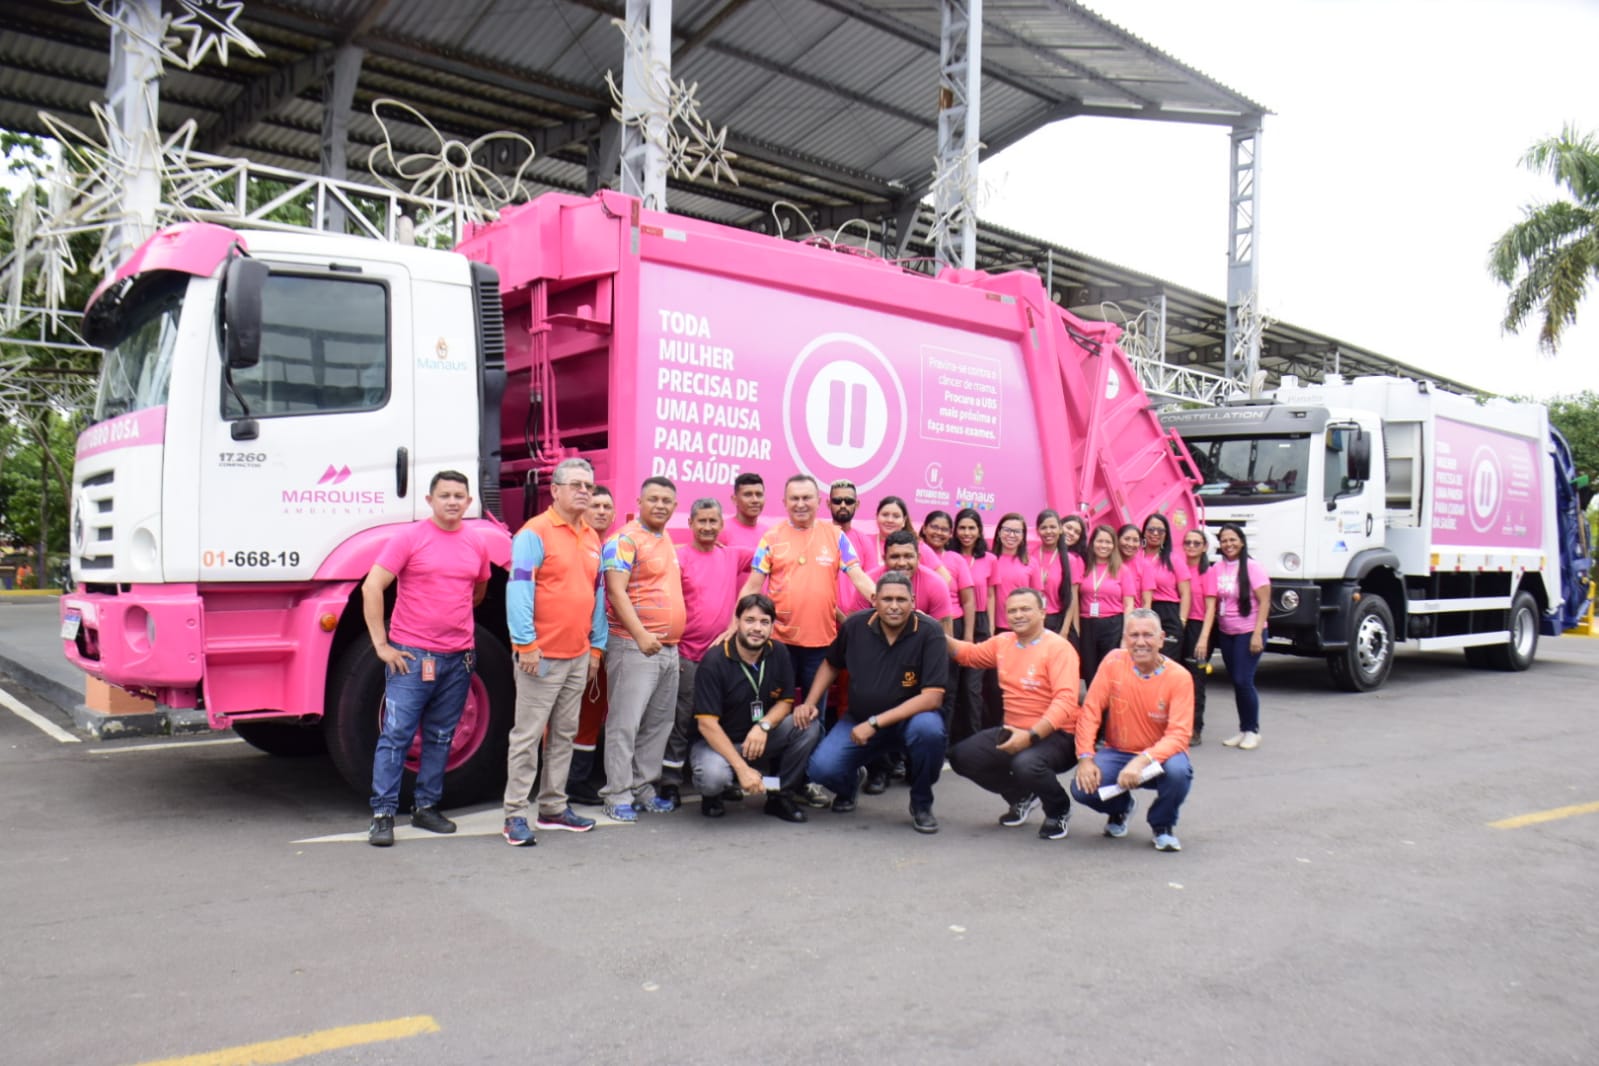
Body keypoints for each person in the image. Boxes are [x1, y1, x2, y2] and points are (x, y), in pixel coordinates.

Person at [362, 471, 492, 847]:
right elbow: (372, 586)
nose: (452, 501)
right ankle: (383, 814)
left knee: (440, 737)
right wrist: (382, 646)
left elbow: (478, 589)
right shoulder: (409, 538)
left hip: (459, 659)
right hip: (412, 656)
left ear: (469, 503)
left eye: (459, 496)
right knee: (397, 735)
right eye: (445, 495)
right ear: (430, 500)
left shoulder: (476, 543)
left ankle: (426, 808)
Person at [502, 458, 608, 847]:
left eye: (590, 486)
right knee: (528, 737)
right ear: (556, 490)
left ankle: (552, 808)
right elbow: (519, 590)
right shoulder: (535, 533)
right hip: (541, 656)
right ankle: (515, 814)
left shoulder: (591, 536)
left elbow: (596, 595)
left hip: (579, 654)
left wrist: (596, 647)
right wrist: (525, 643)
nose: (585, 492)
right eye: (577, 485)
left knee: (563, 734)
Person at [801, 572, 949, 833]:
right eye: (887, 599)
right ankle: (849, 783)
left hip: (909, 722)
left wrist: (875, 723)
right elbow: (831, 664)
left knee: (929, 731)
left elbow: (932, 696)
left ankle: (922, 802)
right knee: (822, 769)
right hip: (859, 720)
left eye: (901, 599)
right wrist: (811, 701)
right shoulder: (855, 626)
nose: (894, 605)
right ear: (874, 600)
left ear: (913, 601)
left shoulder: (930, 632)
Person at [946, 588, 1082, 840]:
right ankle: (1021, 797)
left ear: (1042, 612)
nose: (1018, 615)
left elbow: (1065, 702)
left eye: (1025, 609)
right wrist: (932, 630)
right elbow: (968, 655)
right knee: (961, 757)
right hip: (1013, 729)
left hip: (1058, 735)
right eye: (1012, 610)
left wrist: (1030, 737)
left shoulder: (1059, 649)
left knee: (1026, 764)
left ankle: (1058, 810)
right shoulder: (1003, 643)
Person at [736, 474, 875, 719]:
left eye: (806, 498)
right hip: (779, 643)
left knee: (813, 715)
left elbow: (858, 575)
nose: (800, 504)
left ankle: (811, 757)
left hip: (821, 645)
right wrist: (733, 625)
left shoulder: (835, 536)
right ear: (784, 502)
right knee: (775, 710)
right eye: (794, 498)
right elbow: (752, 585)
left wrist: (881, 601)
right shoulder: (771, 537)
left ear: (819, 501)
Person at [1069, 609, 1195, 851]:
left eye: (1148, 635)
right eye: (1133, 635)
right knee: (1082, 789)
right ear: (1124, 638)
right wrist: (1085, 757)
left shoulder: (1179, 677)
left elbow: (1179, 736)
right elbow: (1091, 711)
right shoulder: (1113, 662)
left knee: (1179, 773)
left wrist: (1141, 761)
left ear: (1161, 638)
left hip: (1160, 757)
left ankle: (1162, 825)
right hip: (1118, 751)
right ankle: (1121, 808)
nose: (1140, 642)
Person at [599, 476, 687, 822]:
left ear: (675, 507)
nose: (660, 505)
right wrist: (640, 635)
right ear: (639, 501)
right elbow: (615, 592)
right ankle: (617, 793)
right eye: (653, 499)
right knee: (625, 723)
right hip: (634, 646)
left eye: (667, 500)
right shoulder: (623, 540)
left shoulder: (665, 538)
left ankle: (643, 787)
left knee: (658, 723)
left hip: (668, 649)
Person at [691, 593, 819, 823]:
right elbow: (706, 724)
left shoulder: (778, 652)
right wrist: (741, 768)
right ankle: (717, 793)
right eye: (750, 620)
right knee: (713, 778)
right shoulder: (714, 661)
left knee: (807, 726)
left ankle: (780, 796)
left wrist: (764, 726)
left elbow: (786, 701)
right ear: (737, 622)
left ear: (772, 627)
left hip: (759, 738)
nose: (757, 628)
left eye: (764, 622)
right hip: (719, 742)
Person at [660, 498, 754, 808]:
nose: (708, 527)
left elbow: (773, 557)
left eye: (714, 521)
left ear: (721, 525)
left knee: (722, 718)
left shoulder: (732, 556)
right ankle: (671, 782)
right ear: (690, 524)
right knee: (682, 719)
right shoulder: (678, 557)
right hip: (686, 654)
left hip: (723, 658)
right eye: (702, 521)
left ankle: (723, 778)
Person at [1195, 523, 1270, 750]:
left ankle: (1252, 730)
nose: (1229, 545)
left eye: (1233, 540)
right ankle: (1243, 729)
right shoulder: (1217, 568)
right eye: (1224, 541)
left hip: (1249, 631)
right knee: (1236, 682)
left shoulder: (1253, 567)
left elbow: (1265, 601)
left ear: (1242, 542)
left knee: (1243, 680)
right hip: (1227, 632)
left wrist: (1257, 633)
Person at [568, 485, 616, 807]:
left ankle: (579, 781)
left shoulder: (613, 546)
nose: (601, 511)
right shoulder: (575, 545)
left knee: (592, 712)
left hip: (602, 644)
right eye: (595, 505)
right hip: (572, 643)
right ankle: (563, 782)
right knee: (564, 716)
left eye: (607, 506)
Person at [953, 507, 996, 741]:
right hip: (954, 621)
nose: (966, 533)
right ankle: (953, 737)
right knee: (954, 685)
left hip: (979, 623)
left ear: (979, 531)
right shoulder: (949, 556)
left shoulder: (989, 559)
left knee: (972, 687)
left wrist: (988, 629)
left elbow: (990, 595)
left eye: (971, 528)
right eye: (962, 527)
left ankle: (973, 739)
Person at [1076, 524, 1136, 687]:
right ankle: (1094, 708)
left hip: (1112, 625)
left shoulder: (1122, 570)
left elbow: (1129, 603)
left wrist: (1126, 634)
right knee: (1089, 670)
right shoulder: (1084, 567)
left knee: (1109, 669)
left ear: (1114, 546)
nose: (1103, 546)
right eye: (1099, 541)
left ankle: (1108, 710)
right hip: (1087, 623)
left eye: (1108, 542)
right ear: (1092, 543)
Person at [1178, 528, 1217, 745]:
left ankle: (1195, 728)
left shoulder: (1208, 572)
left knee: (1196, 680)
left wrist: (1204, 638)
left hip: (1199, 627)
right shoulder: (1180, 568)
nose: (1191, 547)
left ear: (1204, 547)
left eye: (1196, 543)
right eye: (1188, 543)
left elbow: (1211, 608)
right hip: (1180, 624)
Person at [1138, 513, 1191, 657]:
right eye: (1150, 529)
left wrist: (1182, 621)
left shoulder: (1174, 559)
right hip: (1142, 611)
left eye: (1160, 530)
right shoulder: (1136, 556)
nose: (1155, 533)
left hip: (1169, 614)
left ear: (1166, 534)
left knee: (1165, 661)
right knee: (1144, 659)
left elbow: (1186, 593)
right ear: (1144, 532)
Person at [988, 512, 1041, 631]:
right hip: (995, 627)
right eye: (1007, 530)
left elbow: (1038, 597)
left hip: (1025, 626)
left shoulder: (1031, 562)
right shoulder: (989, 560)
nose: (1011, 535)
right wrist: (990, 627)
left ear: (1023, 536)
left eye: (1017, 531)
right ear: (999, 533)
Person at [828, 479, 872, 611]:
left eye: (848, 501)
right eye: (837, 501)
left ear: (857, 504)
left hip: (855, 622)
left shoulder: (864, 541)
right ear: (828, 504)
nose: (843, 505)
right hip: (821, 617)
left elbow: (870, 581)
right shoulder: (820, 536)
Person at [1035, 509, 1081, 634]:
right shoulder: (1029, 556)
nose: (1048, 531)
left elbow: (1072, 598)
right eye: (1044, 527)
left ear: (1060, 529)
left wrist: (1065, 630)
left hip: (1056, 621)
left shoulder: (1070, 560)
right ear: (1037, 531)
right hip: (1032, 619)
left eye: (1053, 527)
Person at [719, 472, 767, 555]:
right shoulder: (720, 530)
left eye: (759, 495)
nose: (755, 500)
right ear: (734, 499)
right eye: (748, 495)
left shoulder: (770, 533)